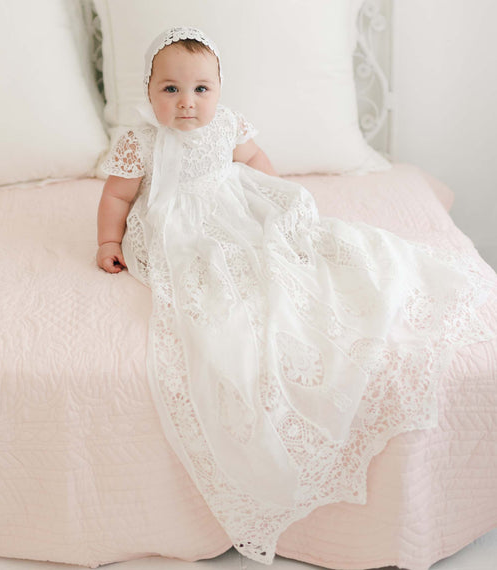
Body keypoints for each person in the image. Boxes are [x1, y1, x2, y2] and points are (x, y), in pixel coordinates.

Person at [96, 27, 492, 565]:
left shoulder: (229, 125)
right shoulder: (141, 142)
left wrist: (273, 196)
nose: (187, 103)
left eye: (201, 89)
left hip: (233, 206)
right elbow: (118, 194)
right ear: (148, 92)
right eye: (170, 90)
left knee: (286, 256)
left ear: (218, 90)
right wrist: (108, 240)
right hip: (180, 225)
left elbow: (256, 162)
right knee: (212, 282)